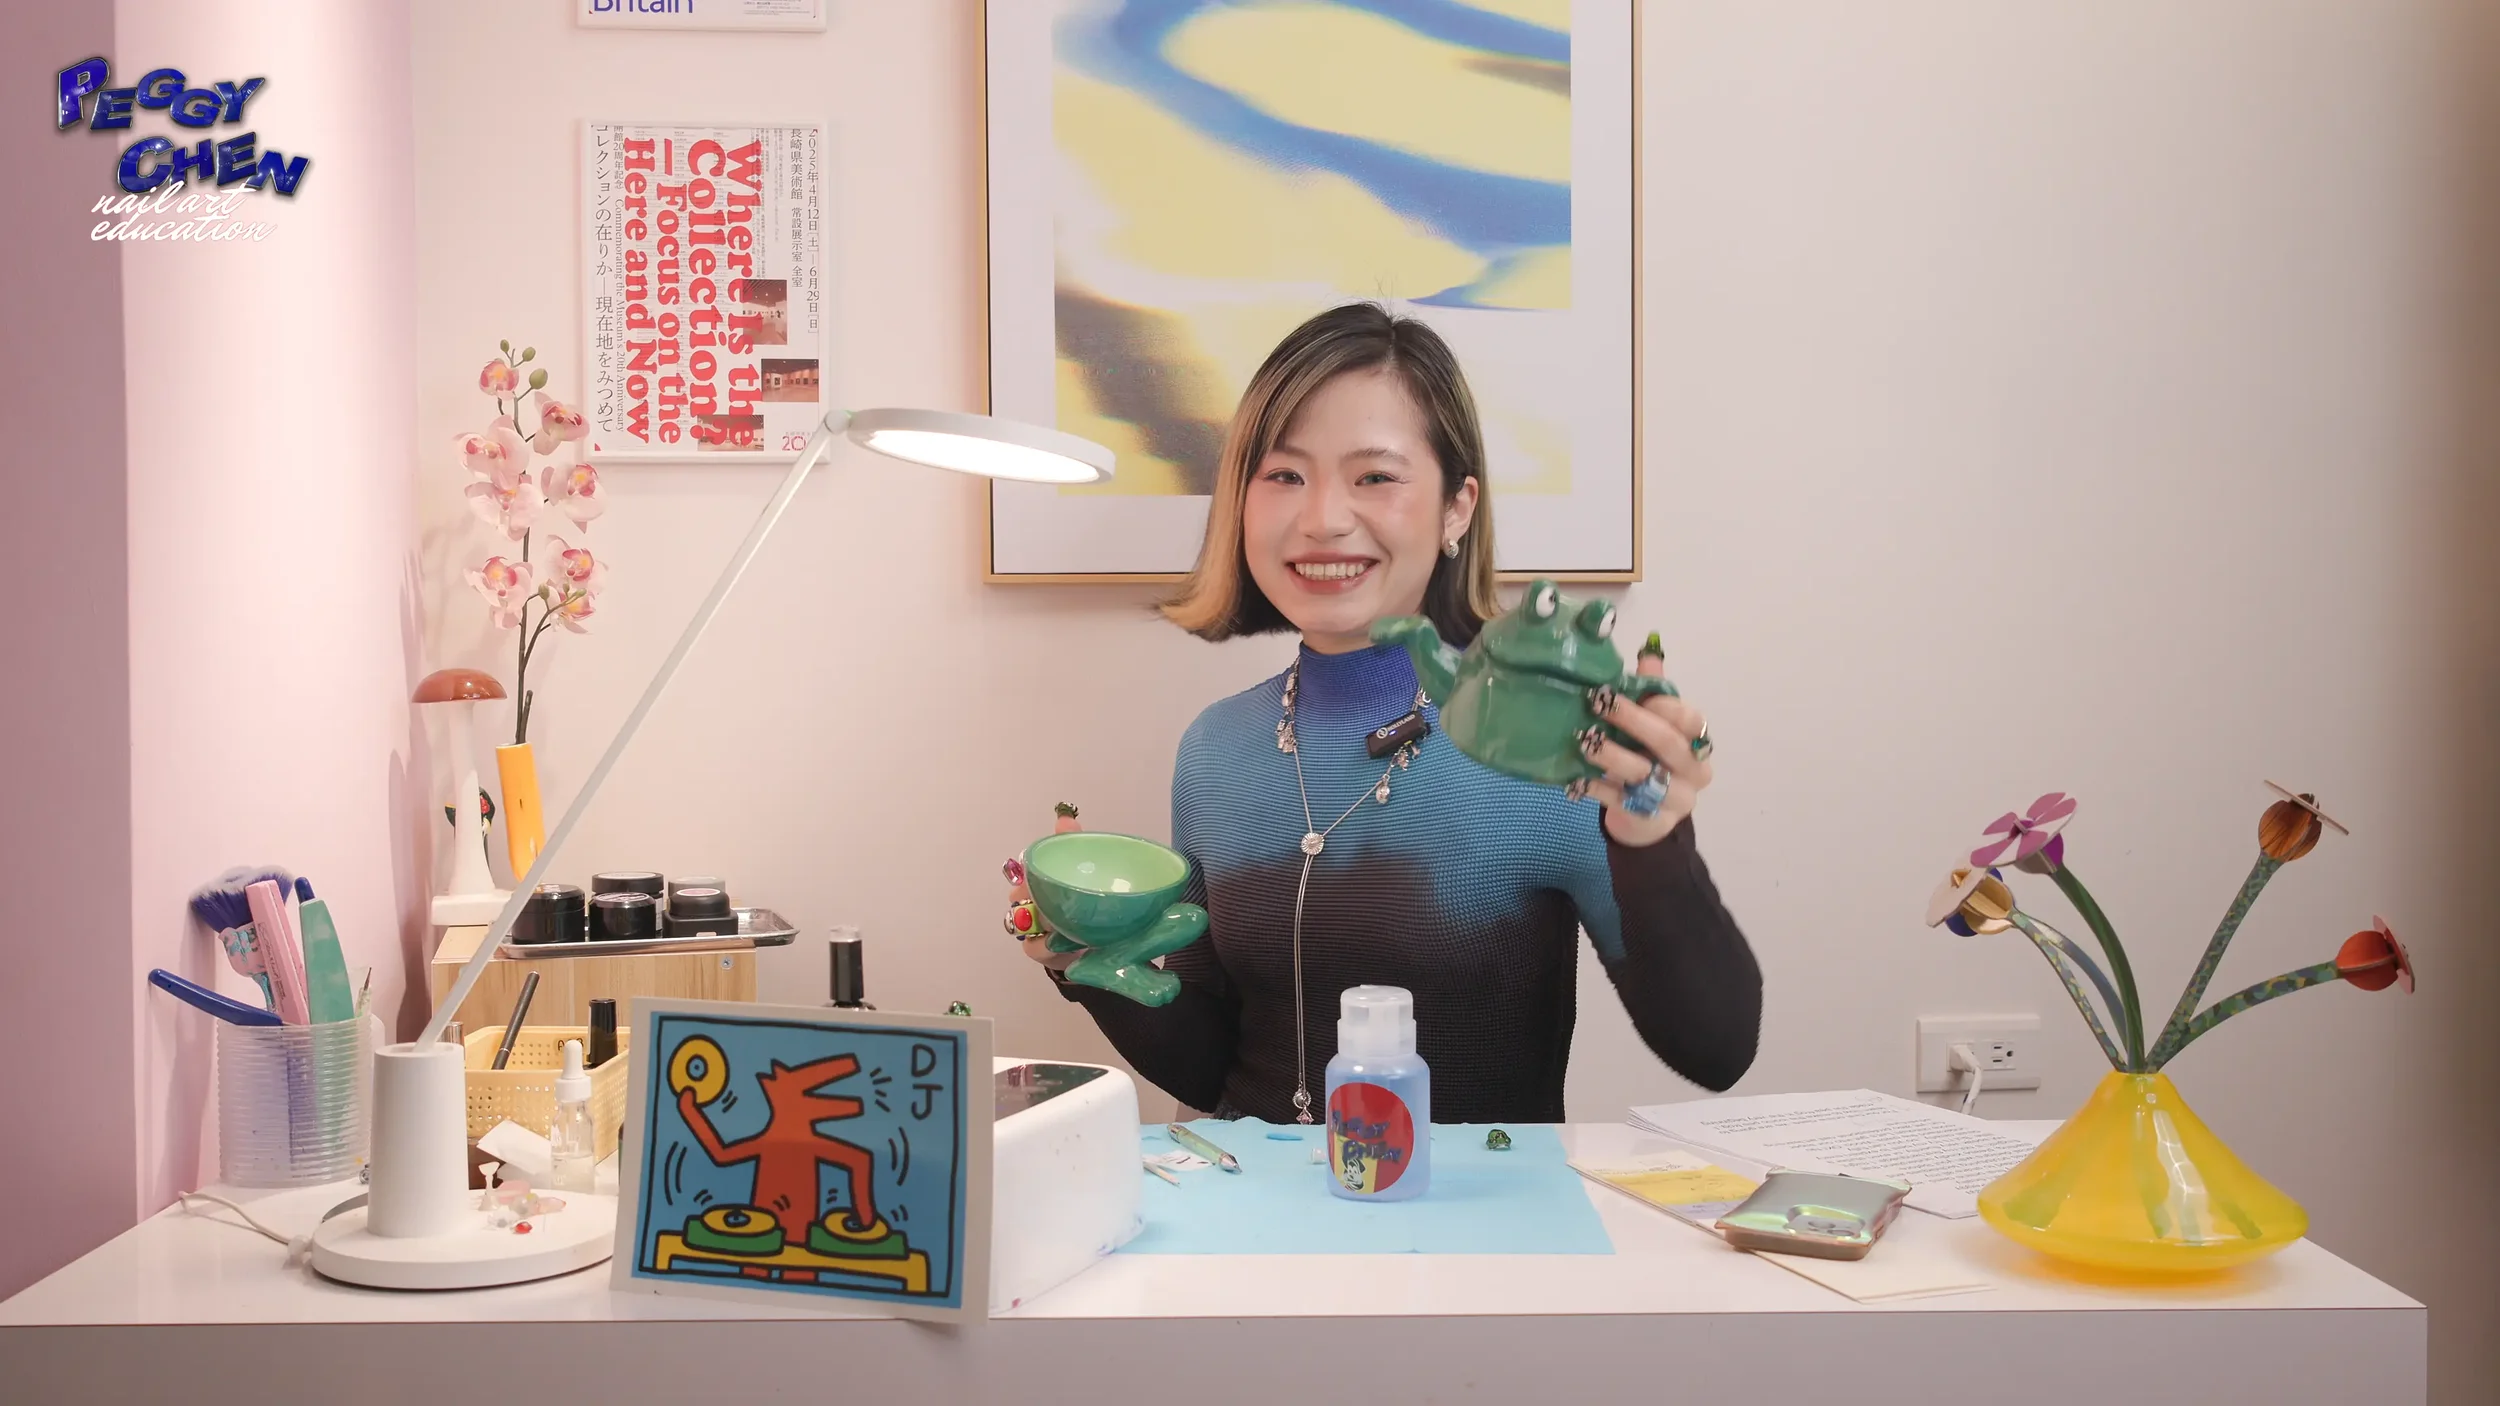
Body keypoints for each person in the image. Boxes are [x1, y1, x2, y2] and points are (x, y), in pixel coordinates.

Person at [1006, 302, 1761, 1124]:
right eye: (1284, 475)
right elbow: (1220, 1075)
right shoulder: (1215, 749)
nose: (1323, 518)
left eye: (1375, 476)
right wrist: (1093, 960)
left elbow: (1716, 1050)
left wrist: (1655, 843)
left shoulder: (1547, 743)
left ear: (1456, 508)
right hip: (1254, 1239)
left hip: (1485, 1244)